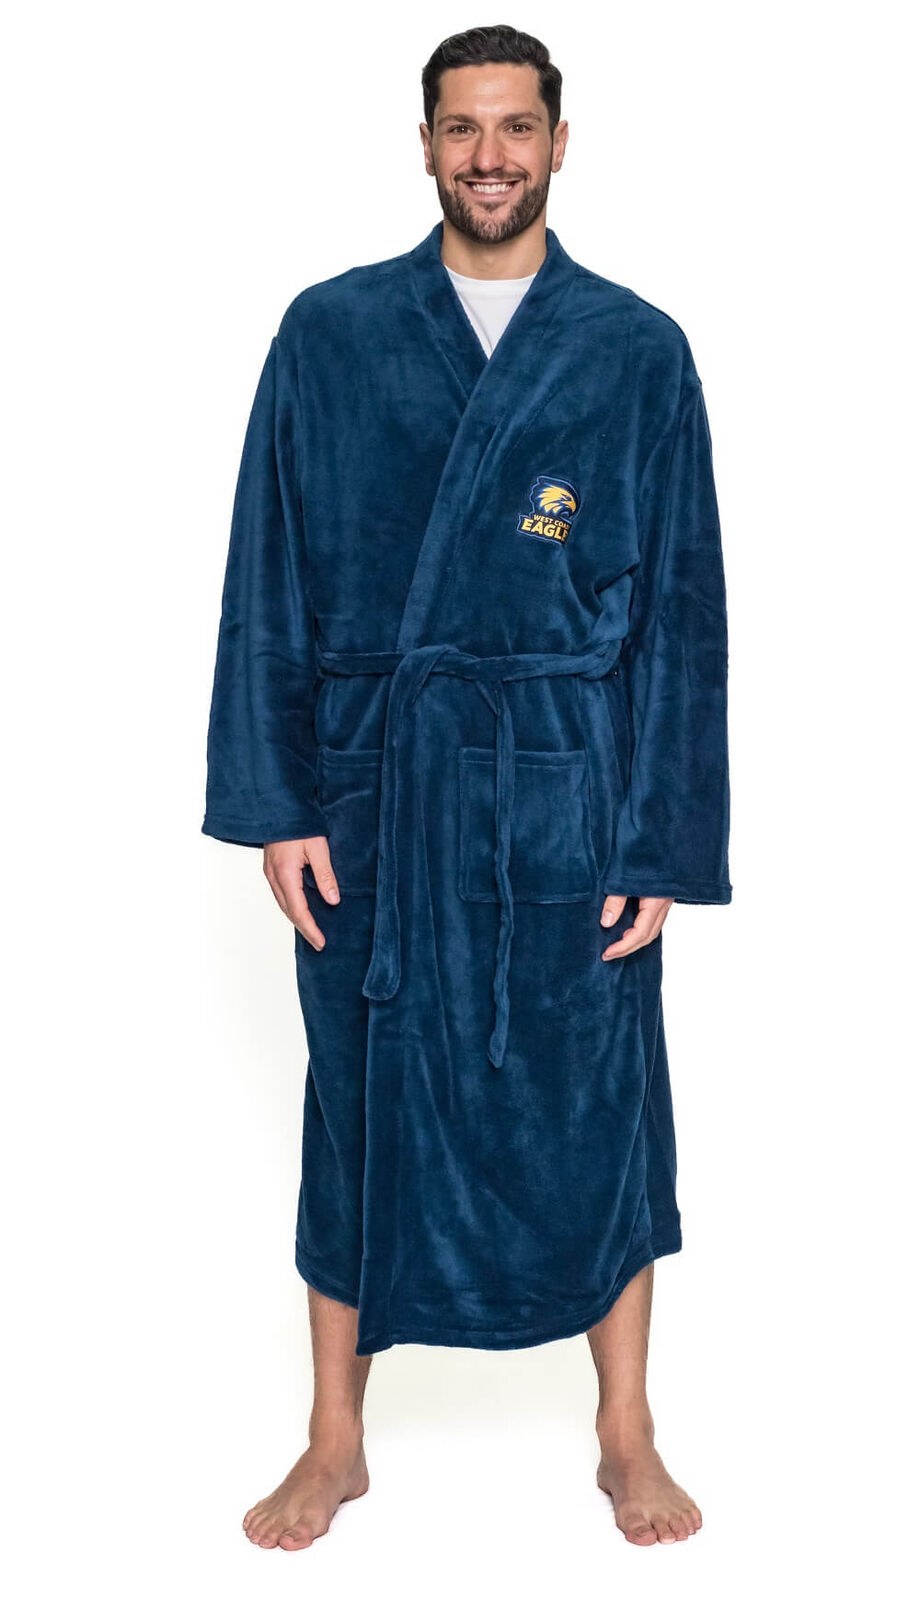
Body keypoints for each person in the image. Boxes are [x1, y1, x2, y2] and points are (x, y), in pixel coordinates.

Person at [202, 23, 732, 1552]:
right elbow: (268, 579)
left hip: (566, 794)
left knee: (602, 1097)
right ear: (424, 144)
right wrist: (279, 803)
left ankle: (625, 1427)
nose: (488, 155)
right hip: (377, 792)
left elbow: (684, 614)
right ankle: (334, 1436)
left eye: (514, 126)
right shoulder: (330, 334)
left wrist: (661, 837)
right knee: (355, 1097)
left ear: (561, 141)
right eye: (461, 127)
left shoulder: (635, 349)